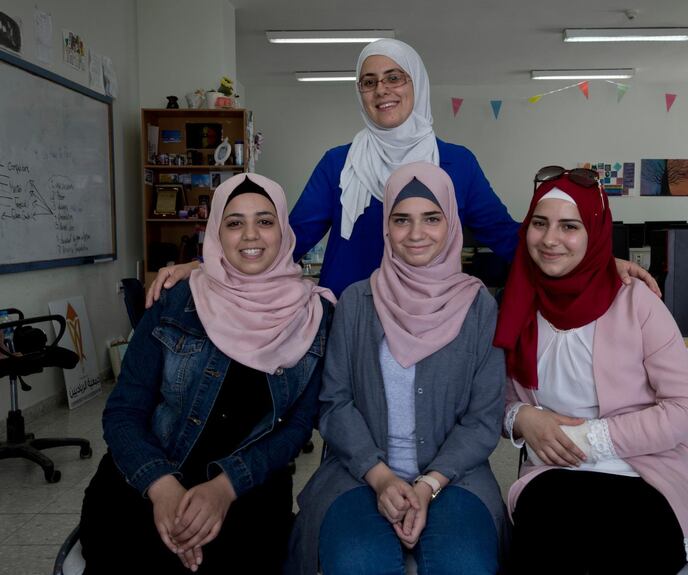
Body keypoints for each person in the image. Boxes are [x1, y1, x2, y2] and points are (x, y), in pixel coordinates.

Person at [145, 38, 656, 304]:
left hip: (431, 315)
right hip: (351, 317)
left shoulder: (455, 163)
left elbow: (506, 236)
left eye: (394, 78)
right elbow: (288, 239)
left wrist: (600, 264)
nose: (381, 90)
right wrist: (205, 264)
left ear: (417, 86)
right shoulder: (339, 162)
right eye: (368, 82)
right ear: (359, 93)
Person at [79, 174, 335, 574]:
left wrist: (224, 487)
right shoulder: (175, 299)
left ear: (284, 230)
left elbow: (298, 427)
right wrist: (161, 487)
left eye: (265, 221)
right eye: (234, 223)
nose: (250, 235)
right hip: (146, 477)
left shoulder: (315, 318)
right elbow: (124, 411)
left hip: (246, 489)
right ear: (216, 232)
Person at [493, 167, 688, 574]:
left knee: (619, 551)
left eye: (569, 226)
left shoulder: (637, 303)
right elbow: (498, 398)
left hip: (642, 475)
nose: (550, 239)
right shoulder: (517, 302)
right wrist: (522, 417)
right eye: (539, 224)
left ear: (594, 233)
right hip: (553, 474)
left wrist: (588, 437)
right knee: (543, 549)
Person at [287, 162, 507, 575]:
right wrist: (382, 477)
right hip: (359, 472)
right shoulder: (356, 302)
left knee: (466, 566)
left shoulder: (479, 308)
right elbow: (335, 403)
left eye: (431, 218)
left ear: (451, 224)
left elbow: (483, 418)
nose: (416, 233)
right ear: (386, 228)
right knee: (357, 563)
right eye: (401, 219)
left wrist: (428, 483)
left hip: (454, 477)